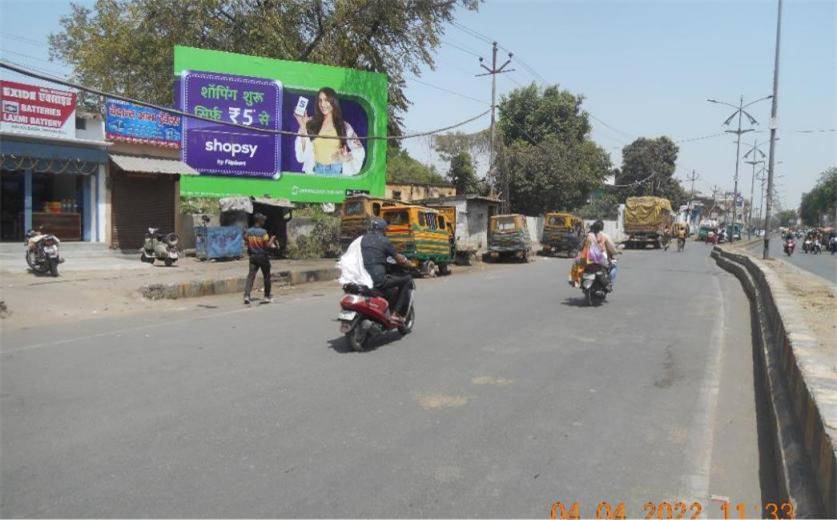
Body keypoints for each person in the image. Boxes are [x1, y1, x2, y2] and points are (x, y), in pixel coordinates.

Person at [294, 87, 366, 176]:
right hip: (315, 172)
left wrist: (345, 157)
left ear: (333, 101)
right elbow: (301, 157)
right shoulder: (310, 122)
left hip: (336, 171)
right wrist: (302, 126)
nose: (322, 104)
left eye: (326, 100)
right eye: (320, 100)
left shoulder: (344, 126)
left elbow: (359, 151)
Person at [360, 217, 413, 322]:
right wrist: (410, 264)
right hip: (377, 280)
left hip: (361, 278)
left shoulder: (363, 239)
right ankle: (395, 313)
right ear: (383, 230)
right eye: (385, 230)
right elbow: (399, 260)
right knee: (407, 279)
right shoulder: (384, 241)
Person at [243, 213, 277, 305]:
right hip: (262, 256)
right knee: (266, 276)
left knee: (251, 276)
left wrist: (251, 244)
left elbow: (245, 239)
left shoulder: (249, 231)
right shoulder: (263, 232)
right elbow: (267, 246)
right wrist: (272, 239)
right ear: (259, 221)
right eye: (263, 220)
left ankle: (246, 296)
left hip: (253, 257)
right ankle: (266, 296)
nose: (264, 222)